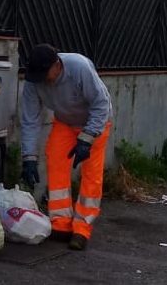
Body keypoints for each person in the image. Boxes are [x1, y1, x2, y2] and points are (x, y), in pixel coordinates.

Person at [20, 44, 112, 251]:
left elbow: (101, 104)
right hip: (64, 123)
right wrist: (29, 158)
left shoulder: (79, 68)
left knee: (91, 174)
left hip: (95, 123)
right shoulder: (34, 80)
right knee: (56, 164)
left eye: (45, 74)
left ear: (57, 65)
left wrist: (86, 139)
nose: (42, 80)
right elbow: (30, 120)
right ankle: (60, 223)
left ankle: (82, 229)